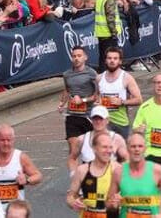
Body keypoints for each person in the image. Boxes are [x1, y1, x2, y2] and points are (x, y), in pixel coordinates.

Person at [120, 132, 161, 218]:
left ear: (145, 148)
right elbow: (109, 201)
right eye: (133, 146)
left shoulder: (157, 170)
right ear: (127, 149)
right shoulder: (119, 171)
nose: (137, 149)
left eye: (140, 146)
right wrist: (113, 203)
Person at [61, 45, 100, 173]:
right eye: (74, 56)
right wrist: (62, 103)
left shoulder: (92, 74)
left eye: (79, 56)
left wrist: (82, 100)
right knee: (73, 149)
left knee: (89, 151)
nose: (76, 59)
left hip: (87, 116)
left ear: (85, 57)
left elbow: (97, 96)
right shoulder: (67, 74)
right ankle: (75, 180)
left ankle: (89, 175)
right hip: (72, 115)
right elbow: (67, 89)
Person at [66, 129, 120, 217]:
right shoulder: (82, 170)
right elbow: (70, 196)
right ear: (94, 148)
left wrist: (120, 201)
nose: (109, 151)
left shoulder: (117, 169)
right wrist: (74, 203)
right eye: (104, 147)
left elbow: (131, 198)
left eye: (110, 147)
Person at [0, 126, 42, 206]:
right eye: (2, 140)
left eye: (9, 140)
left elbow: (38, 176)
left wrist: (27, 180)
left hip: (16, 211)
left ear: (13, 140)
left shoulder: (21, 157)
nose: (6, 143)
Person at [98, 47, 142, 142]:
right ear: (105, 60)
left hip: (121, 123)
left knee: (121, 155)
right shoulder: (99, 78)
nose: (112, 61)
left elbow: (138, 99)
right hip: (103, 123)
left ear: (120, 61)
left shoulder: (127, 78)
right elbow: (95, 98)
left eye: (115, 58)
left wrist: (122, 102)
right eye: (109, 58)